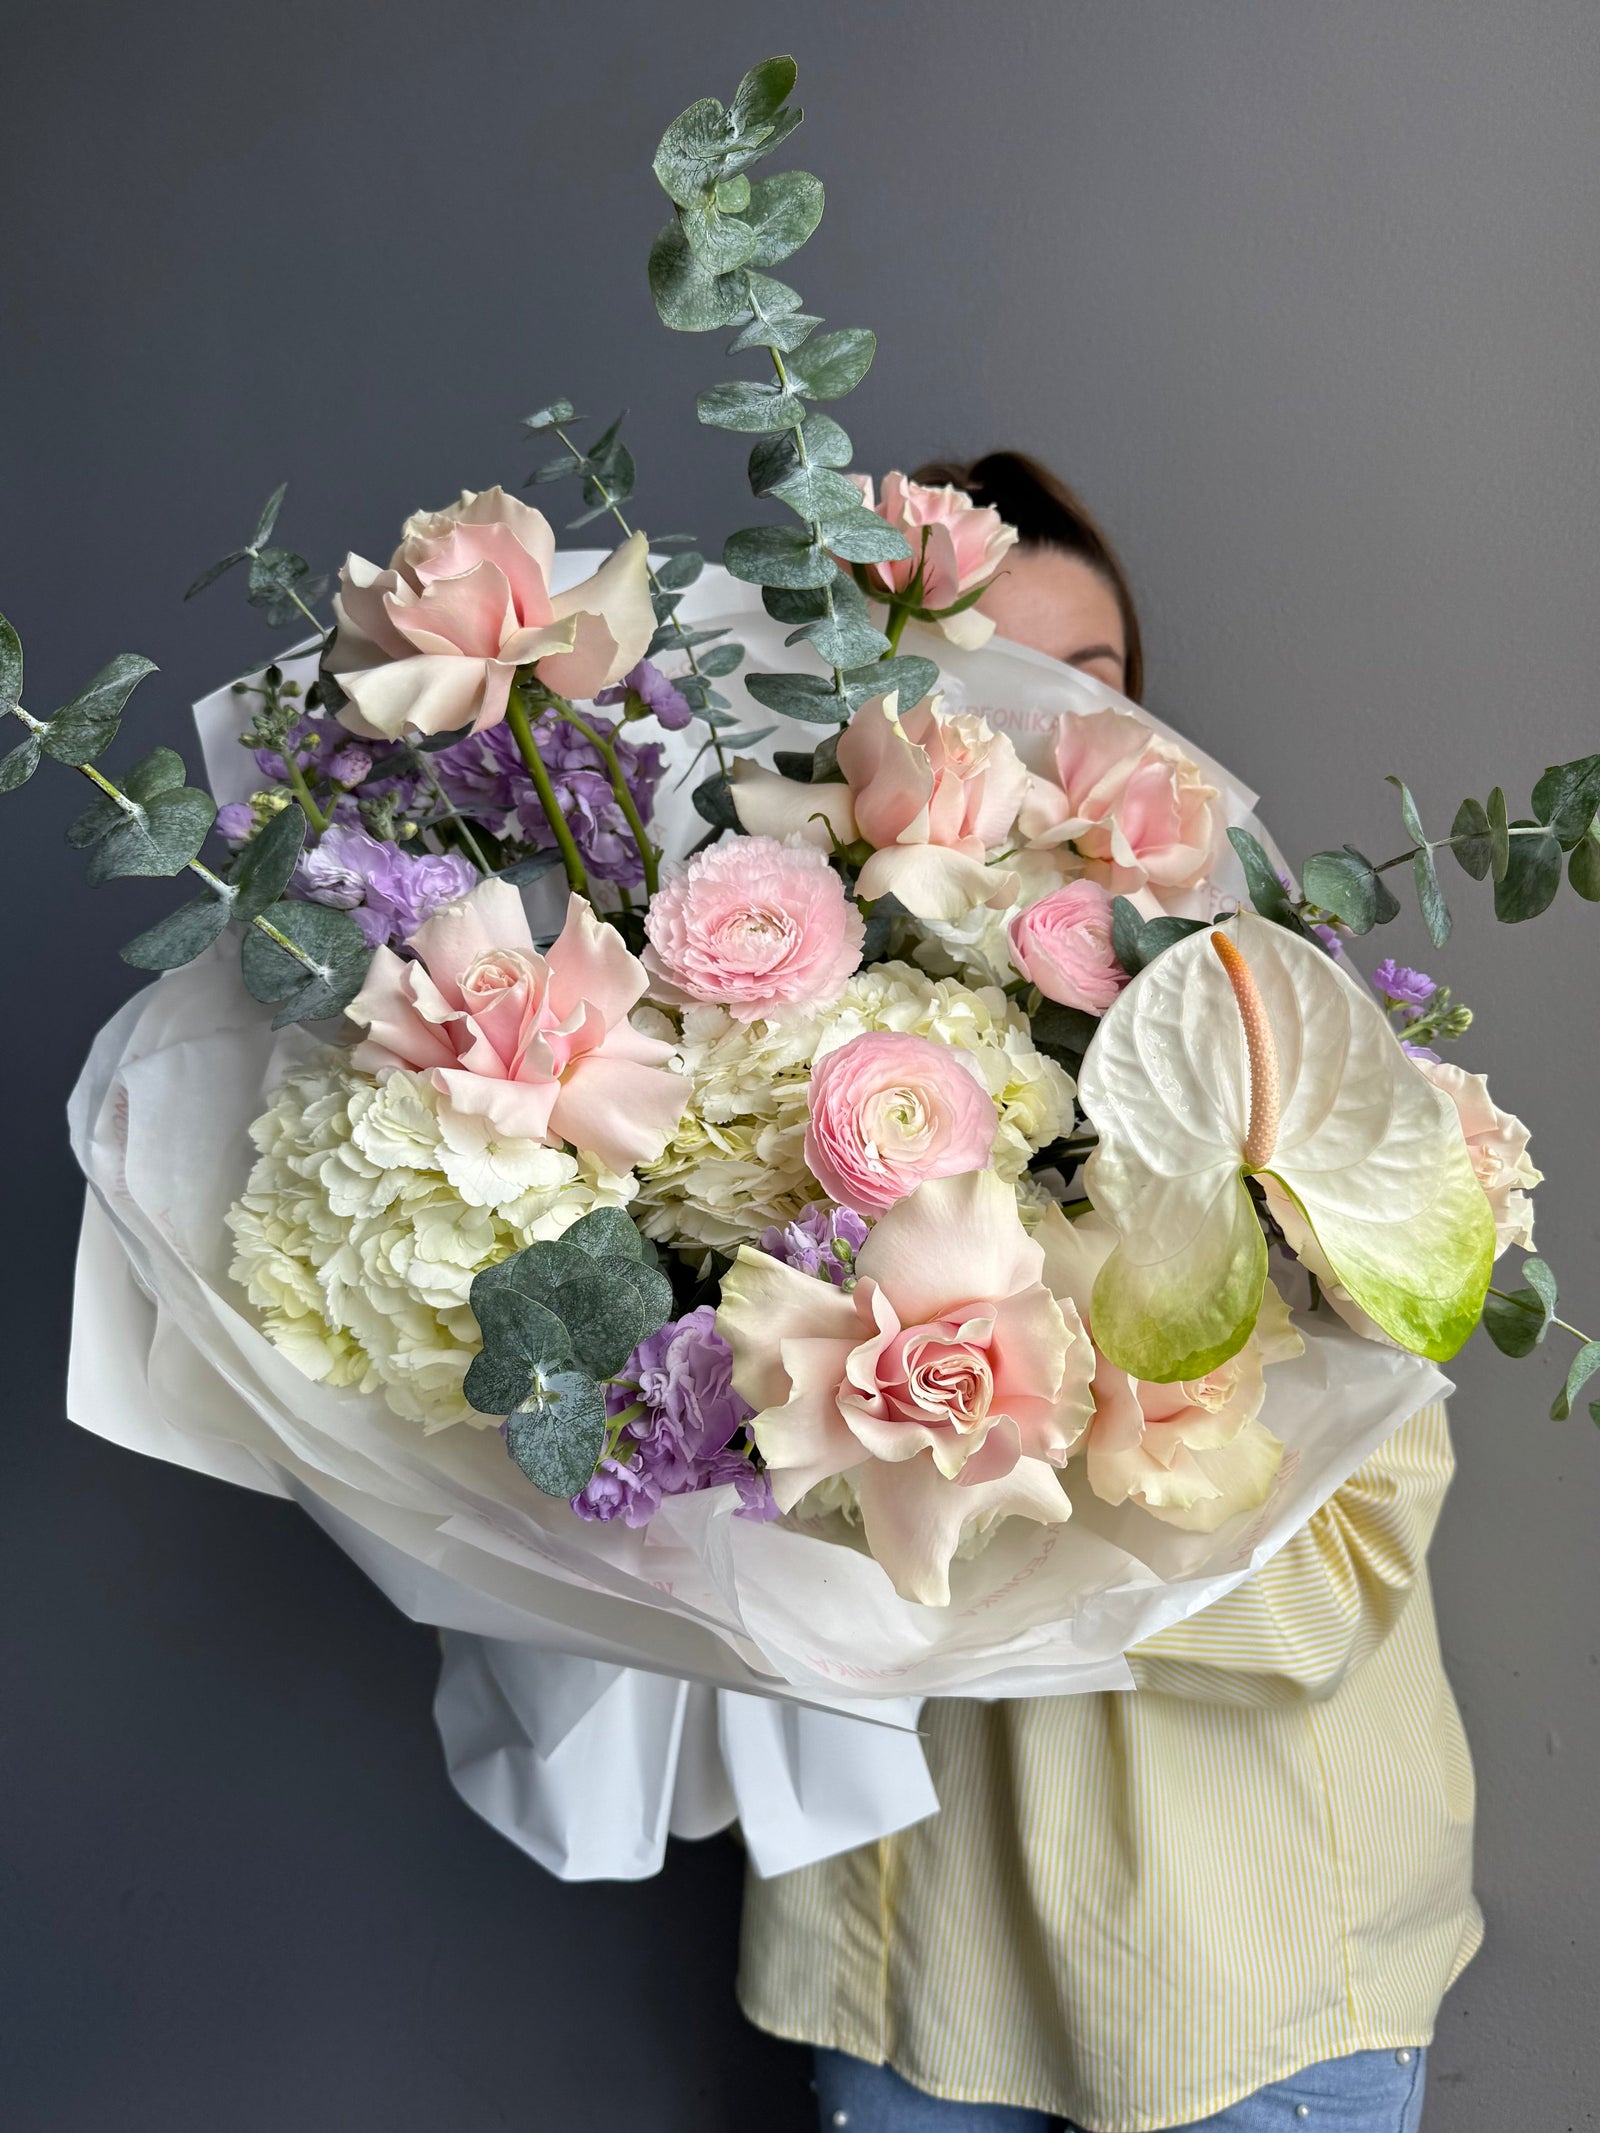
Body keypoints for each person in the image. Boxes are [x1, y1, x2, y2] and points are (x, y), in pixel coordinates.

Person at [736, 452, 1476, 2133]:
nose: (1044, 740)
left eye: (1091, 686)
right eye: (977, 687)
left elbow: (1334, 1585)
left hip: (1248, 1974)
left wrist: (999, 1438)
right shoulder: (760, 1068)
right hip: (902, 1962)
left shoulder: (1297, 1068)